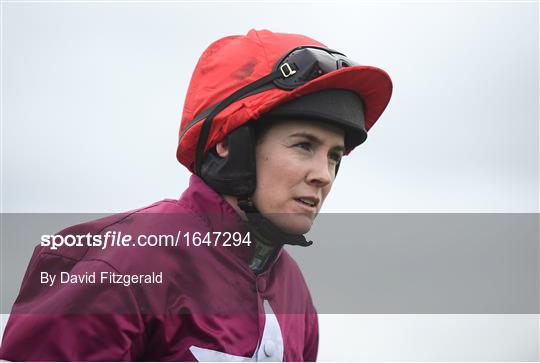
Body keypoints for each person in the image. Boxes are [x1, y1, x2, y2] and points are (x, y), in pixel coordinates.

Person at [0, 29, 392, 361]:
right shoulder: (125, 261)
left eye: (335, 157)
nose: (323, 175)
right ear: (227, 143)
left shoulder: (293, 292)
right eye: (304, 146)